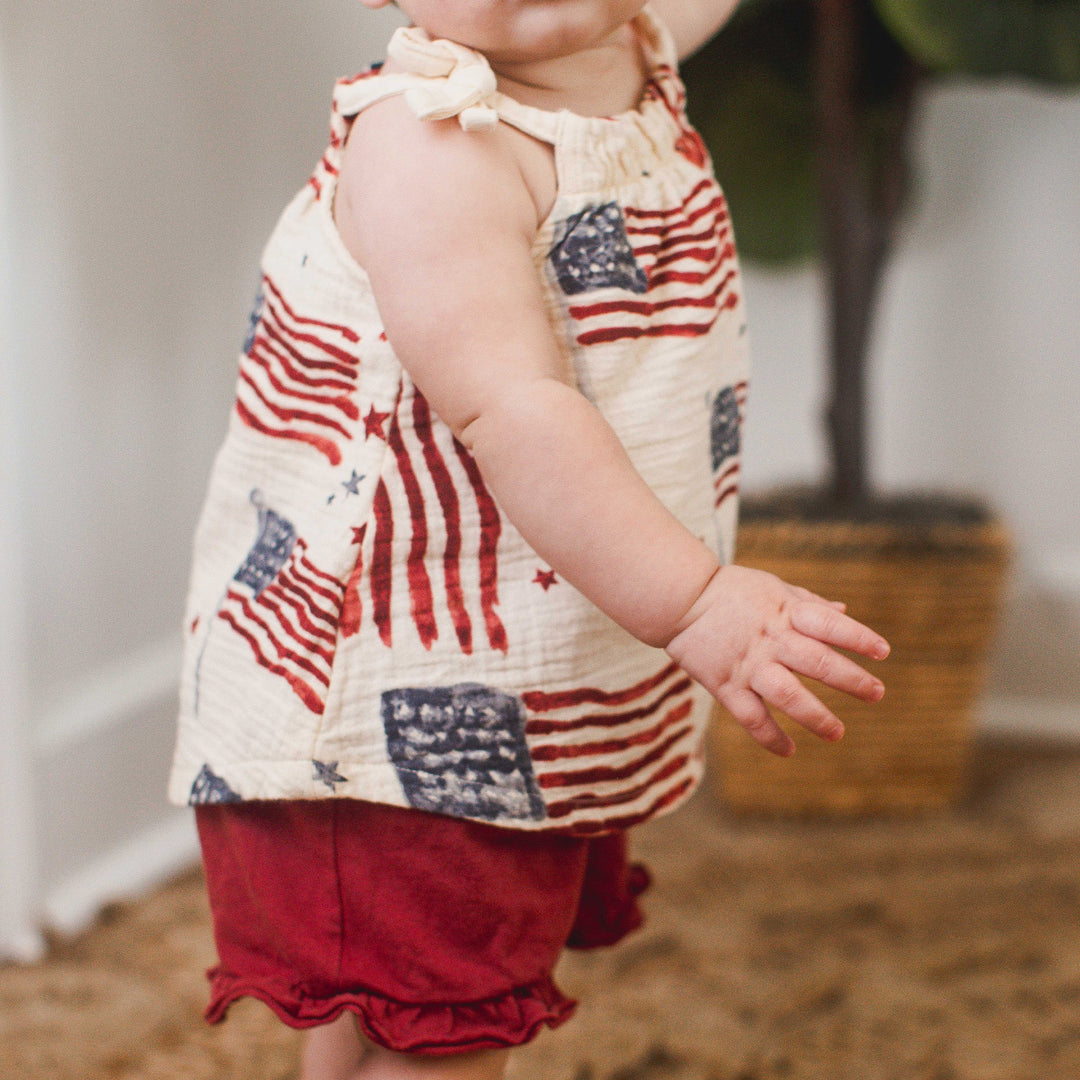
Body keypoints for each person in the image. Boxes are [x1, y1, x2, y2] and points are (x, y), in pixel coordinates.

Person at [169, 1, 890, 1077]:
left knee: (394, 1008)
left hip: (525, 666)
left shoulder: (620, 44)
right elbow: (514, 409)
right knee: (445, 1034)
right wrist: (696, 604)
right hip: (394, 710)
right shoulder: (433, 146)